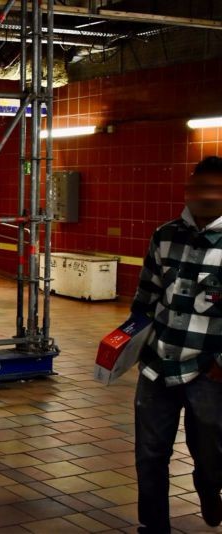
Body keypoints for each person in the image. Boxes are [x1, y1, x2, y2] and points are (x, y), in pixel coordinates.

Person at [132, 156, 222, 533]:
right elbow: (147, 297)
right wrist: (128, 344)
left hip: (209, 371)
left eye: (213, 189)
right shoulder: (165, 235)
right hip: (158, 365)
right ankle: (153, 528)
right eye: (196, 187)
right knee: (150, 456)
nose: (202, 196)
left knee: (212, 455)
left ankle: (208, 487)